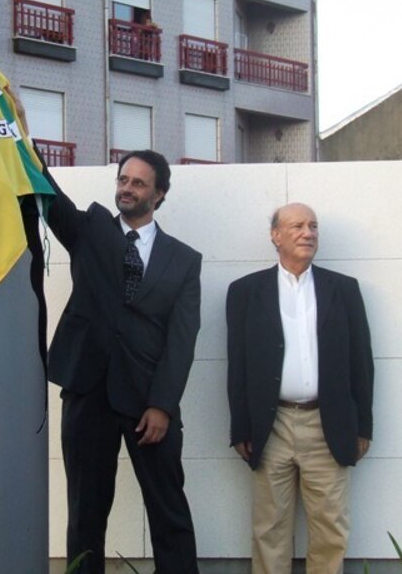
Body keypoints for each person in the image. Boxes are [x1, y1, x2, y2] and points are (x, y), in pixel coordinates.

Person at [42, 149, 201, 574]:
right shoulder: (89, 231)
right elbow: (50, 195)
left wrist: (162, 405)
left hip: (149, 399)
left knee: (169, 510)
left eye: (138, 183)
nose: (127, 188)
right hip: (88, 392)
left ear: (159, 194)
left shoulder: (184, 260)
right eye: (123, 180)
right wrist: (19, 137)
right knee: (86, 512)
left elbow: (182, 340)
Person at [226, 202, 374, 574]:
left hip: (327, 424)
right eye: (297, 226)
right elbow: (237, 365)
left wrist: (363, 426)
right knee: (269, 529)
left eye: (313, 226)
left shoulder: (343, 289)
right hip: (271, 424)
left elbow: (361, 362)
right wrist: (241, 428)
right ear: (275, 235)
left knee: (330, 529)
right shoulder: (245, 292)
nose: (308, 233)